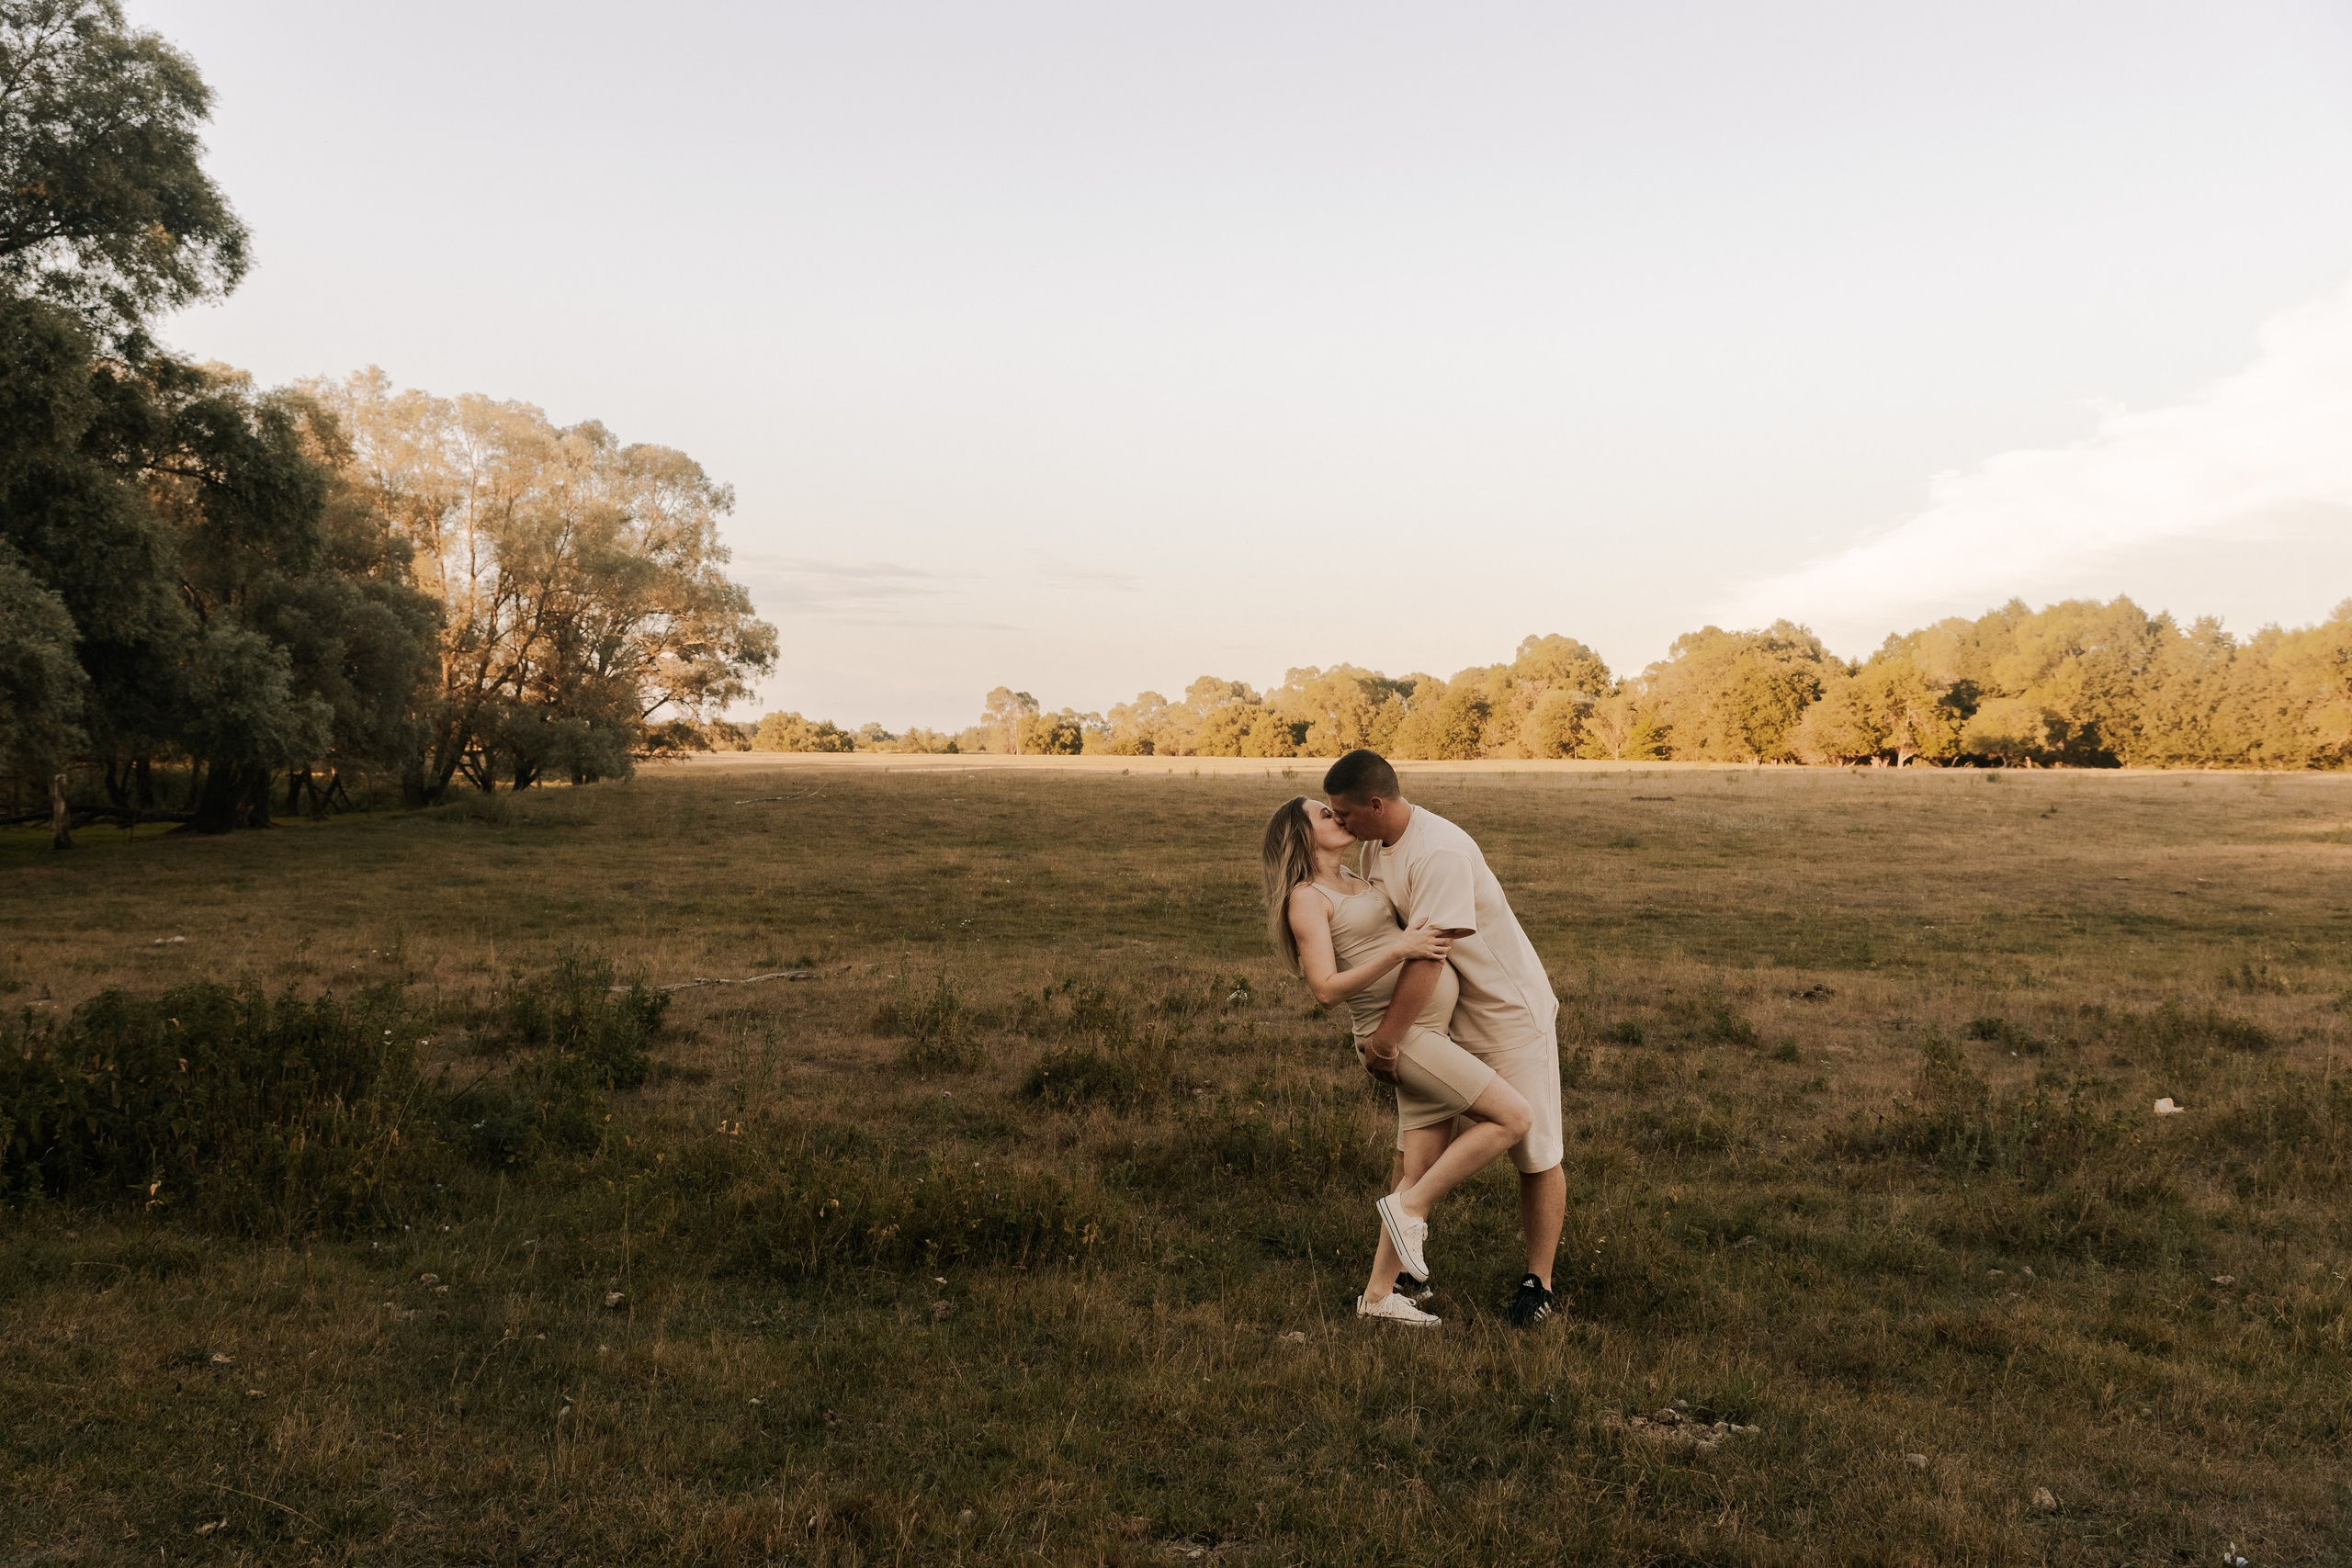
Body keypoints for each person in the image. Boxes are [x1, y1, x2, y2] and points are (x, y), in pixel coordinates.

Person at [1261, 795, 1535, 1327]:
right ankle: (1409, 1209)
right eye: (1323, 814)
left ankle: (1378, 1297)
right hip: (1402, 1040)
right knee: (1513, 1117)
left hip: (1425, 1028)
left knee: (1418, 1162)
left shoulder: (1360, 879)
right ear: (1300, 836)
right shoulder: (1307, 898)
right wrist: (1399, 951)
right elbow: (1324, 989)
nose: (1337, 816)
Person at [1323, 748, 1566, 1327]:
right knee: (1418, 1146)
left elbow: (1428, 958)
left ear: (1376, 804)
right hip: (1446, 1018)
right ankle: (1399, 1277)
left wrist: (1388, 1040)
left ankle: (1539, 1284)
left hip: (1506, 1013)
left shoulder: (1441, 852)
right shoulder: (1375, 845)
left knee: (1534, 1150)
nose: (1340, 823)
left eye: (1345, 813)